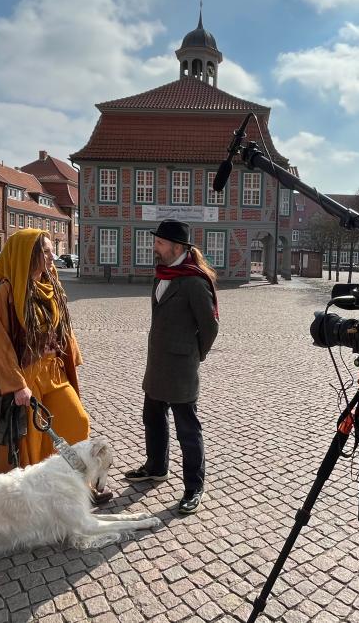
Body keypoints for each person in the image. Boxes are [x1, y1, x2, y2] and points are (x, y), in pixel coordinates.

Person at [0, 228, 112, 505]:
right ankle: (32, 493)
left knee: (77, 421)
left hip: (53, 371)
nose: (54, 257)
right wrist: (17, 385)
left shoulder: (53, 285)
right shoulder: (6, 293)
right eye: (47, 252)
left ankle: (77, 483)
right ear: (29, 255)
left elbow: (63, 325)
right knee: (31, 440)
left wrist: (66, 351)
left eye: (52, 251)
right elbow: (1, 344)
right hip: (27, 375)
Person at [124, 220, 219, 514]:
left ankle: (194, 487)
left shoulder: (193, 281)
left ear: (177, 247)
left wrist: (194, 355)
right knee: (152, 417)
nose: (155, 247)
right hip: (157, 363)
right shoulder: (162, 274)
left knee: (187, 429)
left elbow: (210, 326)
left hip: (180, 367)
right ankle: (156, 467)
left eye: (160, 243)